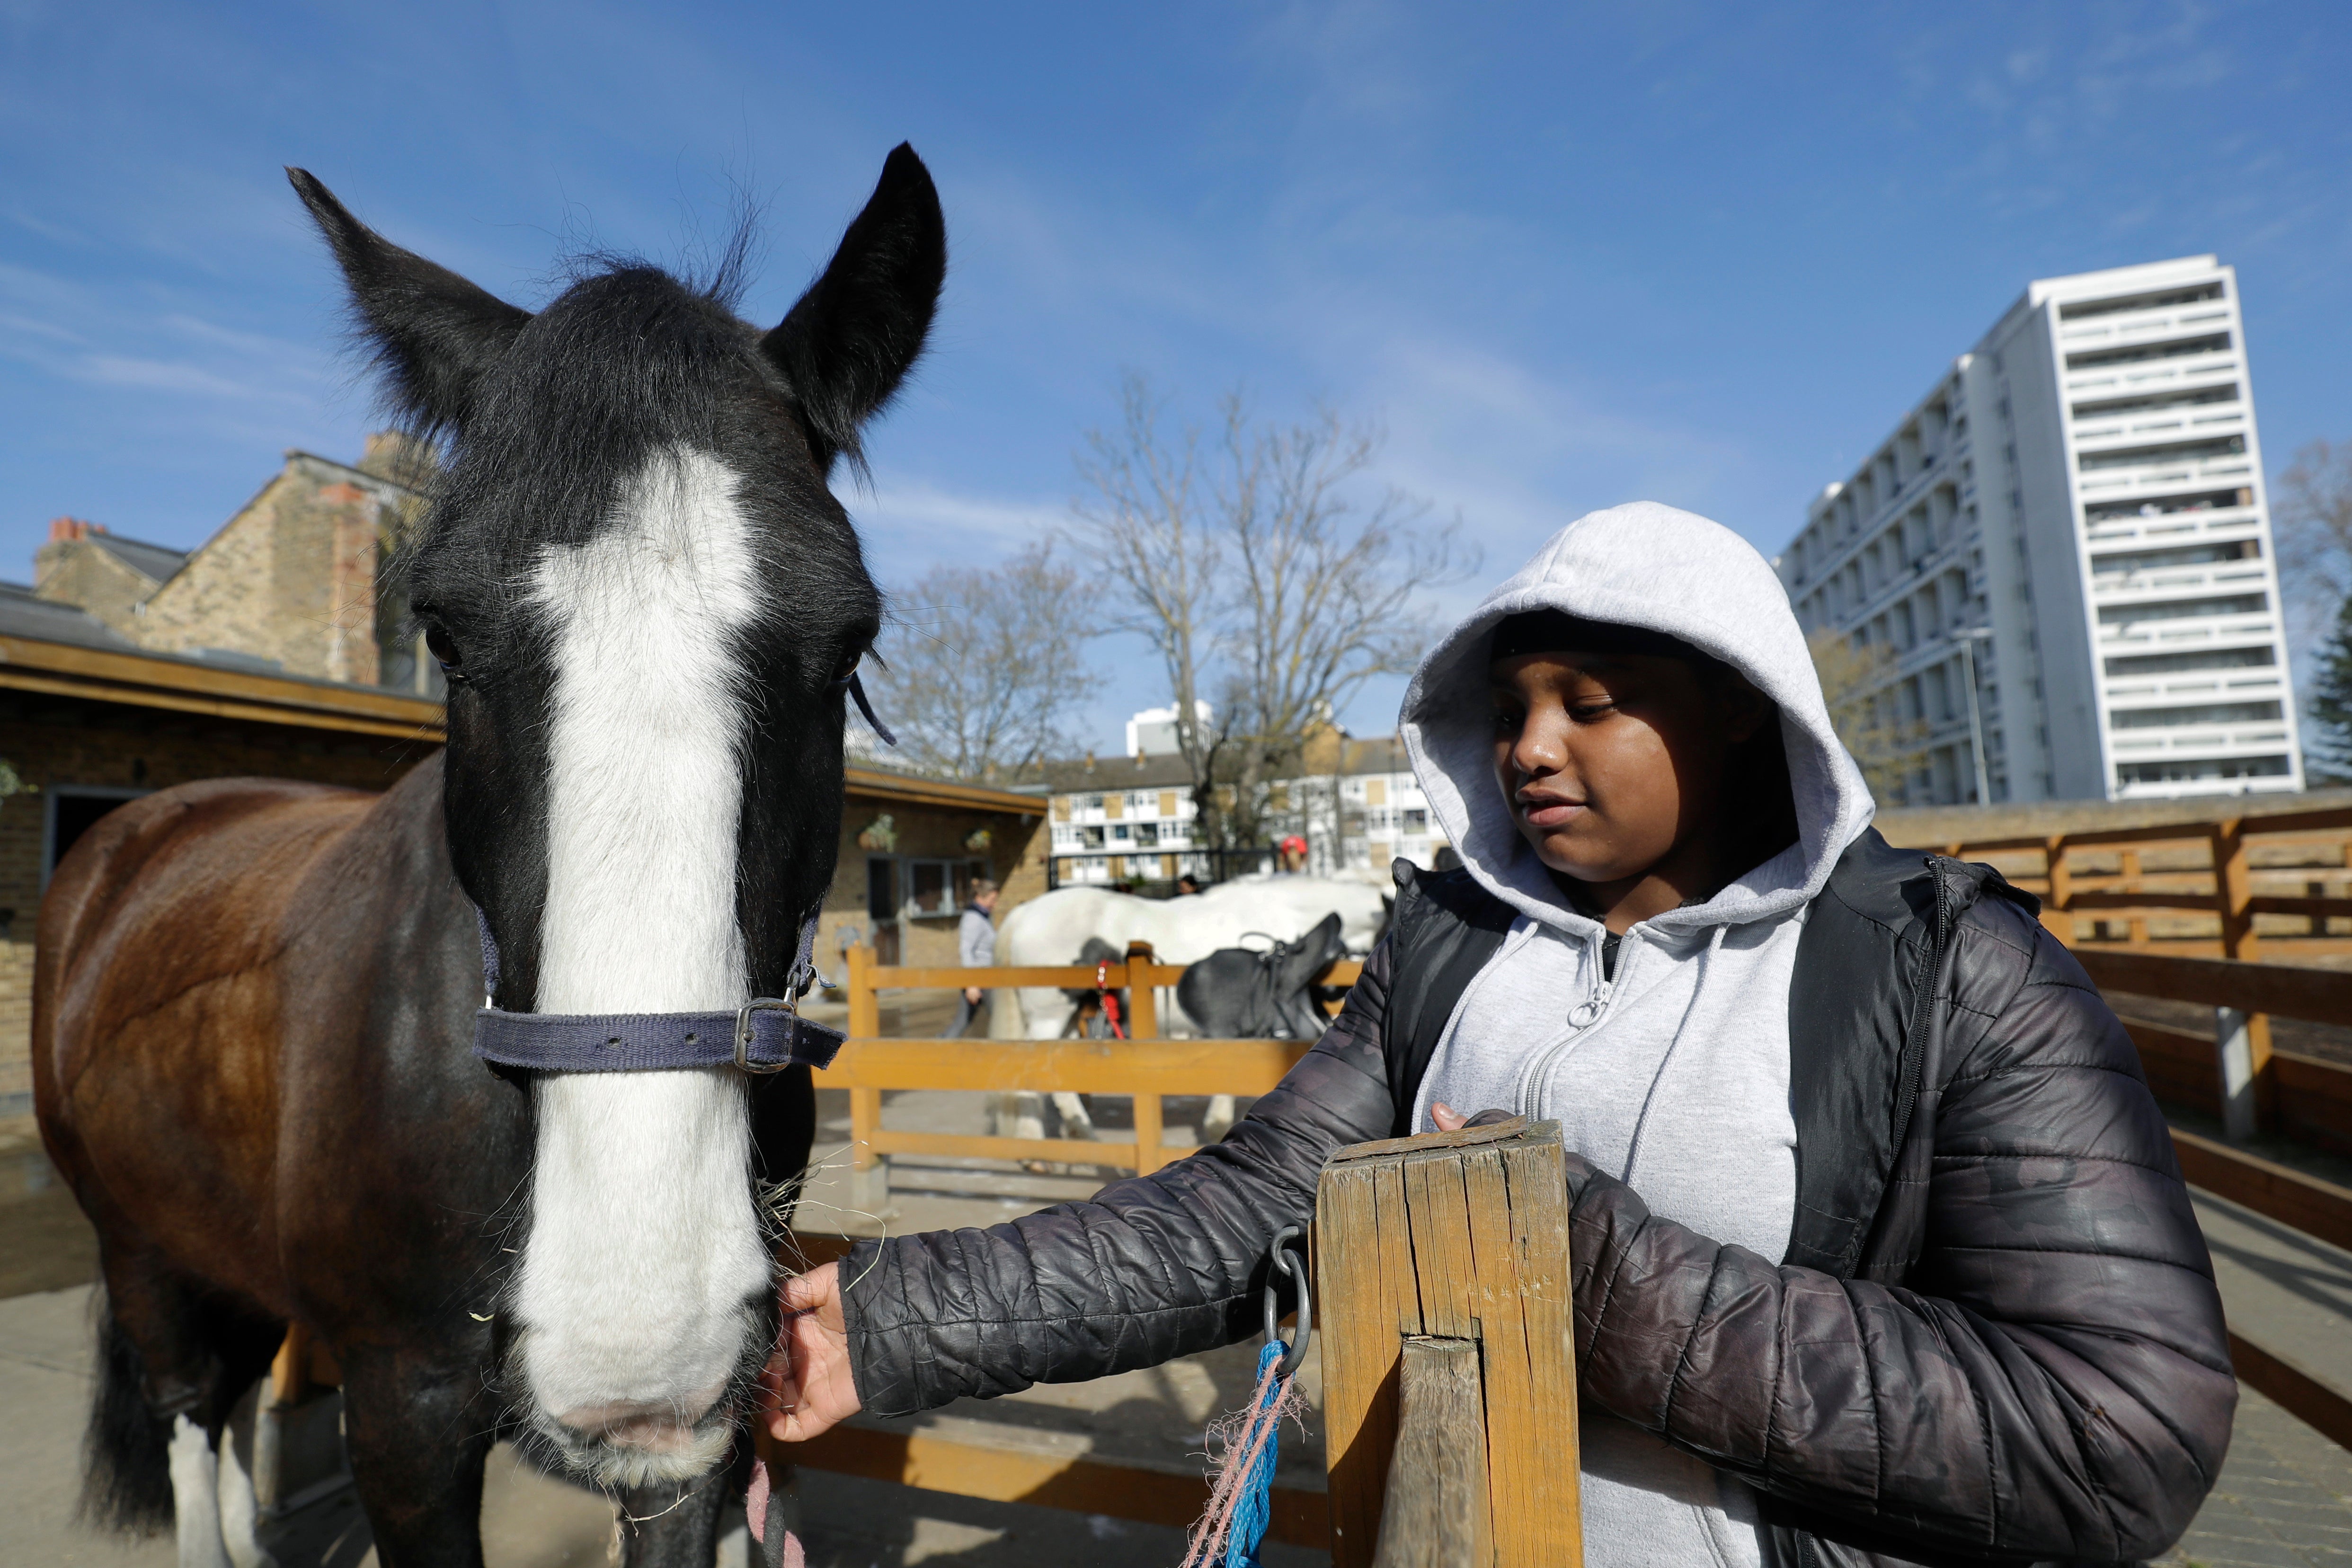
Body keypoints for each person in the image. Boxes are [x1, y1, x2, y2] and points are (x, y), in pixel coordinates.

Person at [769, 504, 2230, 1567]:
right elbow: (1254, 1213)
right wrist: (890, 1318)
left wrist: (1581, 1275)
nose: (1530, 747)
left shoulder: (1947, 968)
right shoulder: (1448, 945)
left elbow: (2118, 1432)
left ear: (1735, 714)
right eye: (1514, 709)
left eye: (1590, 704)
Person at [939, 878, 998, 1038]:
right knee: (999, 1019)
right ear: (981, 897)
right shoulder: (973, 919)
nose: (995, 904)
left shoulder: (981, 918)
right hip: (981, 978)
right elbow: (966, 950)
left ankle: (940, 1048)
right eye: (992, 900)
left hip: (983, 977)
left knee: (962, 1022)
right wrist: (972, 983)